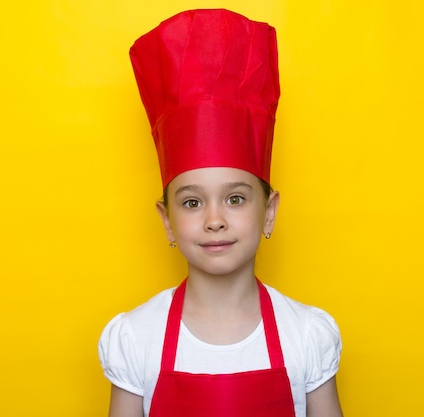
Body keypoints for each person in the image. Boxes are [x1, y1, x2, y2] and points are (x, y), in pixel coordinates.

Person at [98, 9, 343, 417]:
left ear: (270, 212)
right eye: (192, 202)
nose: (215, 219)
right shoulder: (136, 337)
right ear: (166, 221)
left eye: (235, 199)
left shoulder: (306, 335)